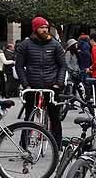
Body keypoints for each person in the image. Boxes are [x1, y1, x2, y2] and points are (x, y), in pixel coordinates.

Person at [15, 16, 66, 144]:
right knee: (28, 117)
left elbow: (63, 65)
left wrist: (58, 83)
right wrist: (25, 84)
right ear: (35, 29)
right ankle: (24, 144)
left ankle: (57, 145)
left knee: (55, 117)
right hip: (32, 85)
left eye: (46, 27)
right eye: (41, 27)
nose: (44, 30)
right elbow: (19, 66)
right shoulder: (25, 45)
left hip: (51, 85)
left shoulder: (55, 44)